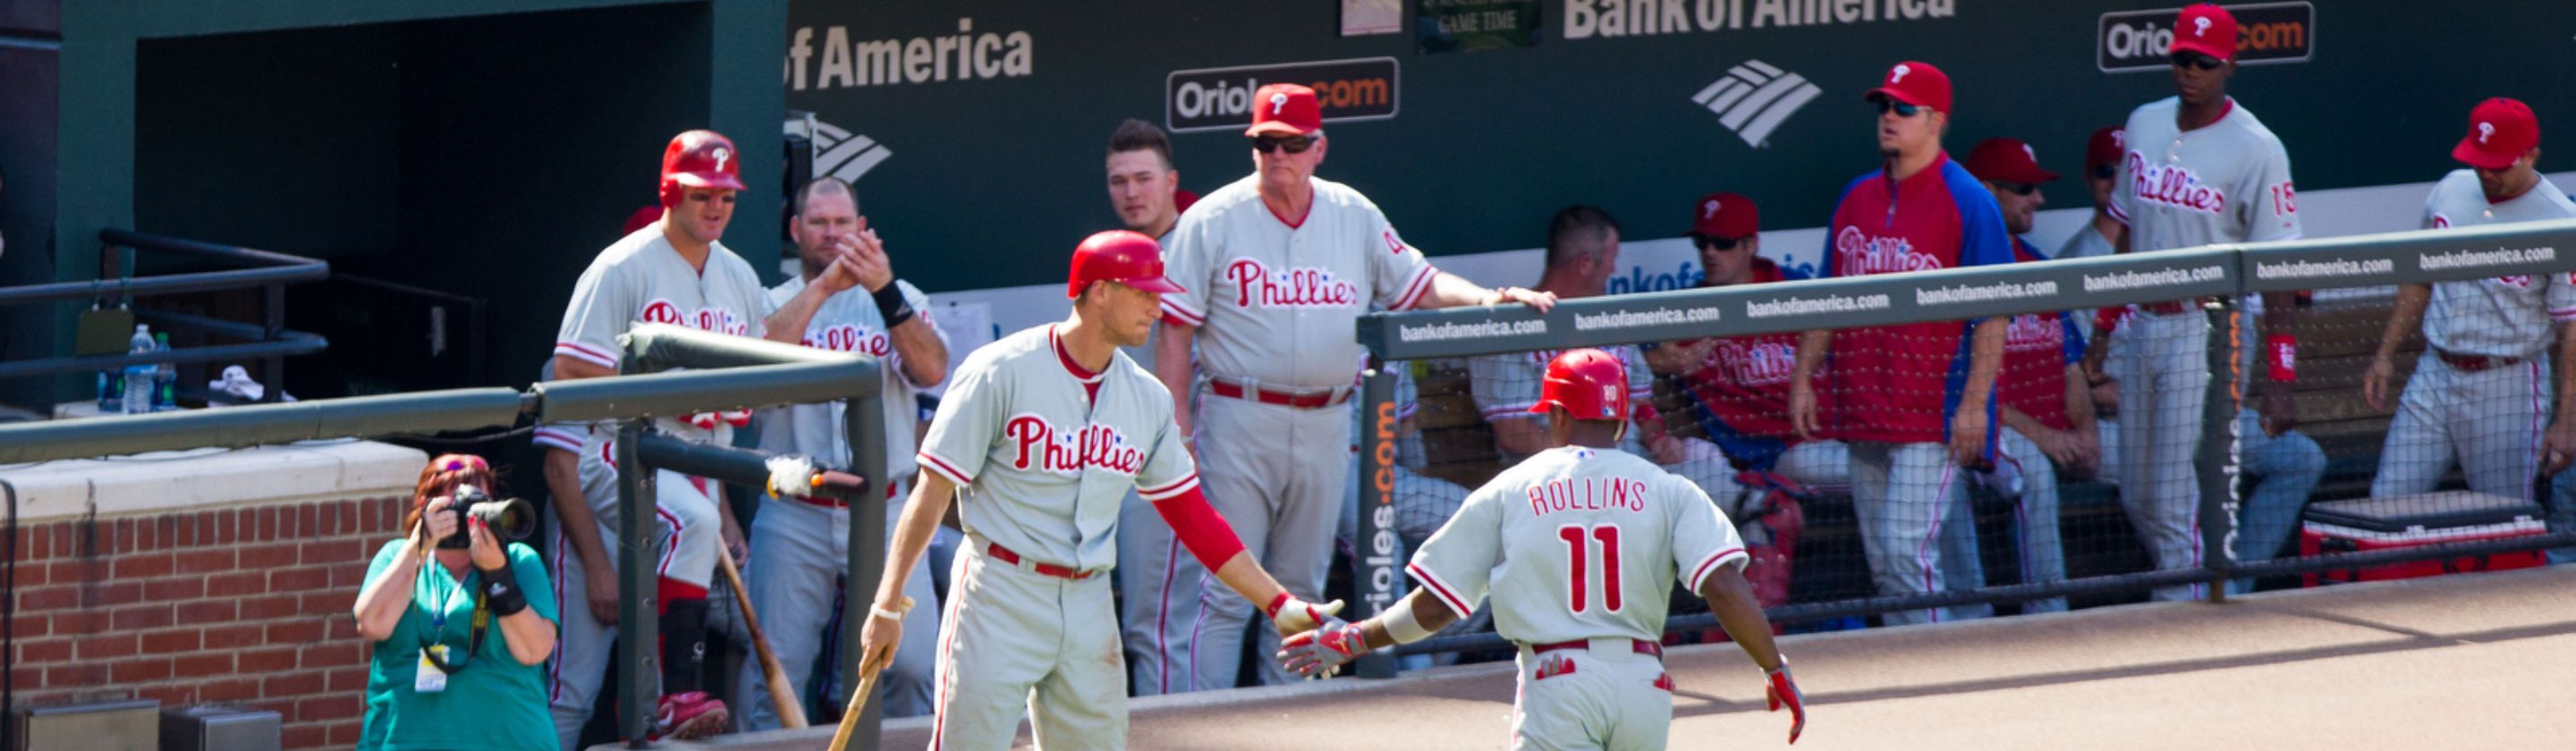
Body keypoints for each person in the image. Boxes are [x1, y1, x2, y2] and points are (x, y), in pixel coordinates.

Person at [855, 231, 1343, 750]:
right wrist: (887, 605)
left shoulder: (1147, 398)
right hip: (999, 593)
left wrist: (1278, 603)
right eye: (1145, 293)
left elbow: (1194, 518)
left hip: (1089, 599)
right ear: (1100, 291)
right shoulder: (999, 370)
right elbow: (932, 492)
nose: (1157, 308)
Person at [1148, 82, 1556, 690]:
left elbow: (1418, 284)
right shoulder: (1213, 218)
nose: (1277, 155)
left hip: (1327, 419)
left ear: (1319, 148)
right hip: (1239, 414)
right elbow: (1175, 330)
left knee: (1302, 590)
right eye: (1265, 143)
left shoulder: (1352, 213)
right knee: (1226, 591)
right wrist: (1176, 427)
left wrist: (1487, 298)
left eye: (1291, 144)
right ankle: (1204, 720)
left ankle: (1289, 719)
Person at [1277, 350, 1805, 749]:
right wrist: (1773, 668)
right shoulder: (1670, 489)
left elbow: (1437, 606)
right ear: (1622, 421)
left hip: (1559, 684)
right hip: (1645, 685)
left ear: (1556, 415)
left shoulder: (1511, 489)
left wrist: (1353, 639)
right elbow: (1725, 585)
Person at [547, 129, 869, 744]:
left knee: (696, 525)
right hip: (619, 448)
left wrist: (823, 287)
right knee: (688, 532)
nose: (716, 206)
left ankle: (666, 702)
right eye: (702, 194)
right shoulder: (621, 266)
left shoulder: (737, 273)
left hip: (695, 463)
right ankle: (670, 693)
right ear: (671, 192)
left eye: (726, 195)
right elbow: (569, 369)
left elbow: (763, 351)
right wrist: (673, 389)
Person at [1788, 61, 2011, 626]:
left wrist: (1973, 406)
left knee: (1907, 553)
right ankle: (1924, 663)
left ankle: (1933, 670)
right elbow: (1826, 298)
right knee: (1886, 565)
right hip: (1865, 409)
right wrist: (1804, 377)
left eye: (1904, 108)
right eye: (1884, 106)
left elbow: (1992, 316)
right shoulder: (1856, 197)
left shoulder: (1970, 200)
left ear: (1936, 120)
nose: (1889, 116)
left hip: (1931, 415)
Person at [2096, 4, 2307, 600]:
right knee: (2137, 493)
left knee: (2170, 496)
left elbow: (2279, 271)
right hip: (2143, 322)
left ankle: (2187, 613)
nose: (2191, 70)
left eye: (2205, 62)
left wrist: (2281, 378)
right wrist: (2104, 329)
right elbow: (2127, 232)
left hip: (2209, 328)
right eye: (2183, 58)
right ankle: (2199, 594)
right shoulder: (2144, 122)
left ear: (2230, 66)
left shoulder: (2257, 147)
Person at [735, 176, 952, 729]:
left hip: (886, 509)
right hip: (795, 510)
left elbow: (932, 369)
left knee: (911, 665)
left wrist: (883, 290)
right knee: (775, 673)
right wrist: (823, 289)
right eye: (819, 223)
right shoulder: (772, 301)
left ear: (862, 228)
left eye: (842, 223)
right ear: (795, 230)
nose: (832, 234)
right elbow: (751, 365)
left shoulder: (901, 298)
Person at [2368, 98, 2576, 545]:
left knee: (2505, 523)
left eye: (2499, 164)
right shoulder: (2450, 189)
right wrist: (2385, 355)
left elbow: (2572, 328)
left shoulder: (2560, 219)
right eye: (2479, 161)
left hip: (2508, 381)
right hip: (2434, 372)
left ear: (2531, 156)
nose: (2486, 173)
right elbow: (2418, 277)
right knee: (2386, 506)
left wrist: (2567, 420)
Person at [1468, 207, 1743, 504]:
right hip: (1559, 485)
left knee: (1722, 481)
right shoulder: (1511, 327)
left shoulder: (1609, 319)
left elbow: (1641, 405)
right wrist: (1597, 462)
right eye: (1612, 258)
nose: (1613, 270)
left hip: (1634, 473)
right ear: (1586, 264)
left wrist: (1658, 437)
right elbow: (1513, 434)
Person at [1963, 138, 2097, 614]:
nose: (2038, 199)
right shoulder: (1961, 271)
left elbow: (2072, 367)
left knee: (2158, 461)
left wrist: (2087, 432)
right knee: (2034, 475)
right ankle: (2049, 617)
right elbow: (1964, 388)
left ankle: (2194, 596)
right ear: (1986, 191)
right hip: (1992, 437)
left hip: (2060, 436)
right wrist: (2046, 437)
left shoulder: (2039, 268)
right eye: (2024, 189)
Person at [1642, 192, 1850, 491]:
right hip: (1774, 455)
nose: (1710, 252)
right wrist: (1662, 361)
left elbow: (1834, 326)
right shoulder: (1688, 312)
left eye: (1723, 243)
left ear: (1751, 244)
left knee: (1879, 471)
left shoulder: (1791, 288)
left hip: (1836, 436)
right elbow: (1627, 358)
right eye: (1702, 242)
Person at [354, 455, 558, 750]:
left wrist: (498, 576)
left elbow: (535, 650)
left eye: (479, 502)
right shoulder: (396, 556)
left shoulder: (519, 561)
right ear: (425, 505)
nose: (466, 516)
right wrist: (417, 548)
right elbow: (372, 624)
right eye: (457, 504)